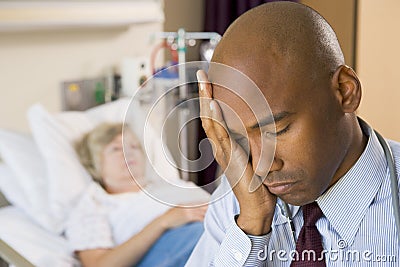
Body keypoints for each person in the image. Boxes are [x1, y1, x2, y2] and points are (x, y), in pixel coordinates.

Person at [186, 2, 400, 266]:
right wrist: (252, 225)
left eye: (277, 130)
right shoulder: (236, 203)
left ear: (345, 91)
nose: (263, 165)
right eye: (239, 138)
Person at [65, 122, 208, 267]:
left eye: (134, 146)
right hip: (181, 245)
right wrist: (164, 221)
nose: (128, 153)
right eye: (116, 149)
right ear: (94, 163)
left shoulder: (174, 186)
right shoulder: (94, 205)